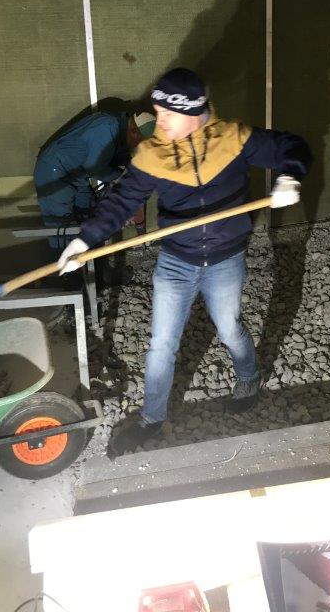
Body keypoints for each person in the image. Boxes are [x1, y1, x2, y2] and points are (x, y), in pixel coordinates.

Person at [58, 68, 312, 455]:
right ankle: (151, 419)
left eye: (166, 114)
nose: (158, 121)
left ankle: (249, 377)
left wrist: (290, 177)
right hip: (176, 261)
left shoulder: (233, 139)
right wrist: (84, 241)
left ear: (192, 112)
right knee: (161, 344)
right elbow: (121, 201)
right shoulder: (153, 154)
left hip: (225, 259)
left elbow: (292, 146)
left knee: (230, 329)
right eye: (158, 112)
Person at [34, 107, 155, 247]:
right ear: (134, 132)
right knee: (64, 227)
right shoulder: (106, 128)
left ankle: (92, 255)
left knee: (89, 213)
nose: (139, 147)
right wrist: (119, 176)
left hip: (77, 175)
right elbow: (95, 168)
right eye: (141, 143)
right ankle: (67, 258)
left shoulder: (119, 131)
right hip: (55, 172)